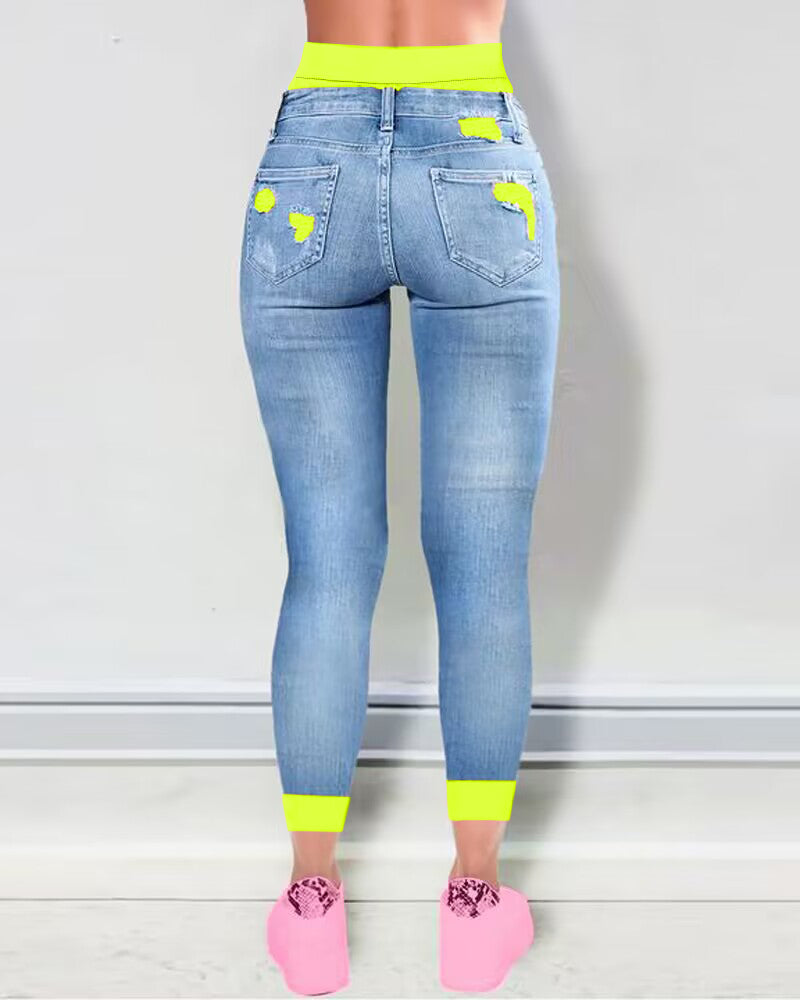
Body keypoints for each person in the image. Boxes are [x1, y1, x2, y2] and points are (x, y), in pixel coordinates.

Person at [238, 0, 560, 993]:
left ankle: (309, 900)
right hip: (473, 153)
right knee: (483, 564)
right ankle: (475, 899)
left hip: (313, 155)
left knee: (326, 560)